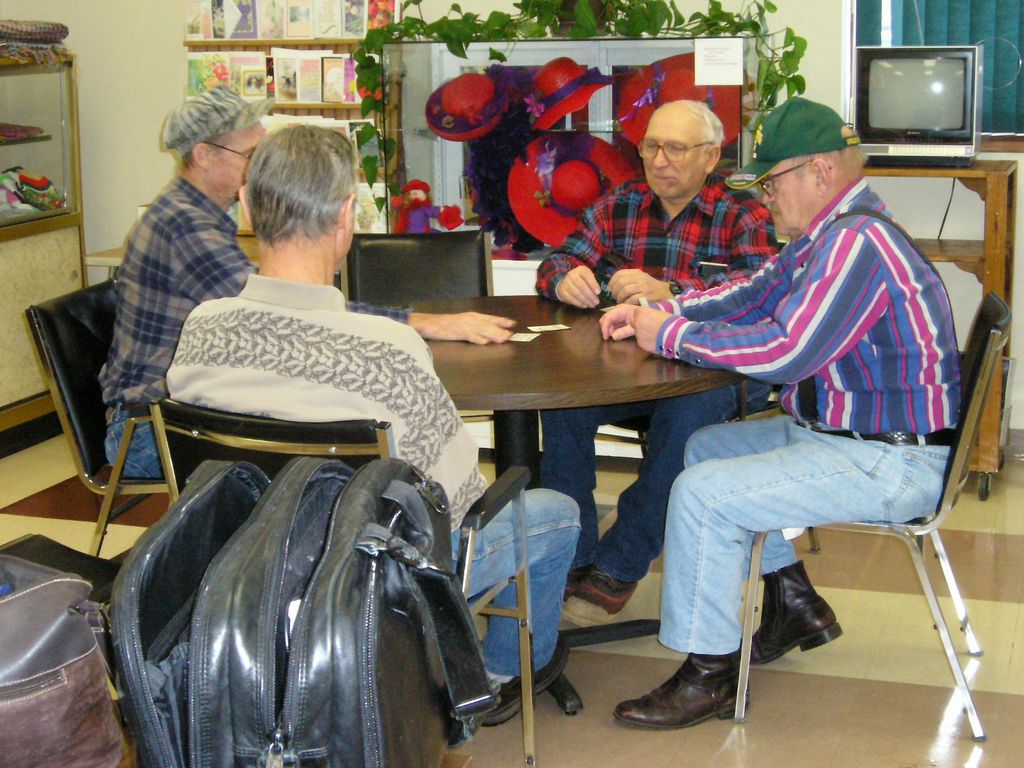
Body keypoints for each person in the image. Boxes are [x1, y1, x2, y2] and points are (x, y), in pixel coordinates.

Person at [165, 125, 581, 727]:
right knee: (556, 511)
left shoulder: (203, 328)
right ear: (344, 218)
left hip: (238, 571)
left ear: (249, 209)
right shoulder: (389, 351)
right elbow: (460, 503)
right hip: (365, 587)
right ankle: (494, 674)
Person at [601, 97, 961, 729]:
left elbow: (786, 351)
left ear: (819, 172)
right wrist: (665, 313)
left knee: (704, 492)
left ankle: (708, 673)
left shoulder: (856, 244)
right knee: (706, 447)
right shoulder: (831, 233)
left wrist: (667, 336)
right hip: (852, 434)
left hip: (890, 458)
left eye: (771, 180)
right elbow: (754, 292)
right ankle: (793, 602)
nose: (764, 195)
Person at [99, 87, 516, 479]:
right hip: (147, 429)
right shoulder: (186, 230)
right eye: (251, 153)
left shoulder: (197, 213)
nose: (261, 167)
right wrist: (426, 323)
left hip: (182, 412)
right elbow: (290, 312)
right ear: (204, 155)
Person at [534, 99, 777, 623]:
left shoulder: (744, 212)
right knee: (562, 407)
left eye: (675, 148)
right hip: (633, 372)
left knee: (684, 421)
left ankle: (619, 563)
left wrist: (671, 290)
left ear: (711, 156)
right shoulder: (620, 203)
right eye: (649, 147)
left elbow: (761, 289)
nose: (659, 160)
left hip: (718, 374)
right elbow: (559, 258)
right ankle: (569, 555)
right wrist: (567, 278)